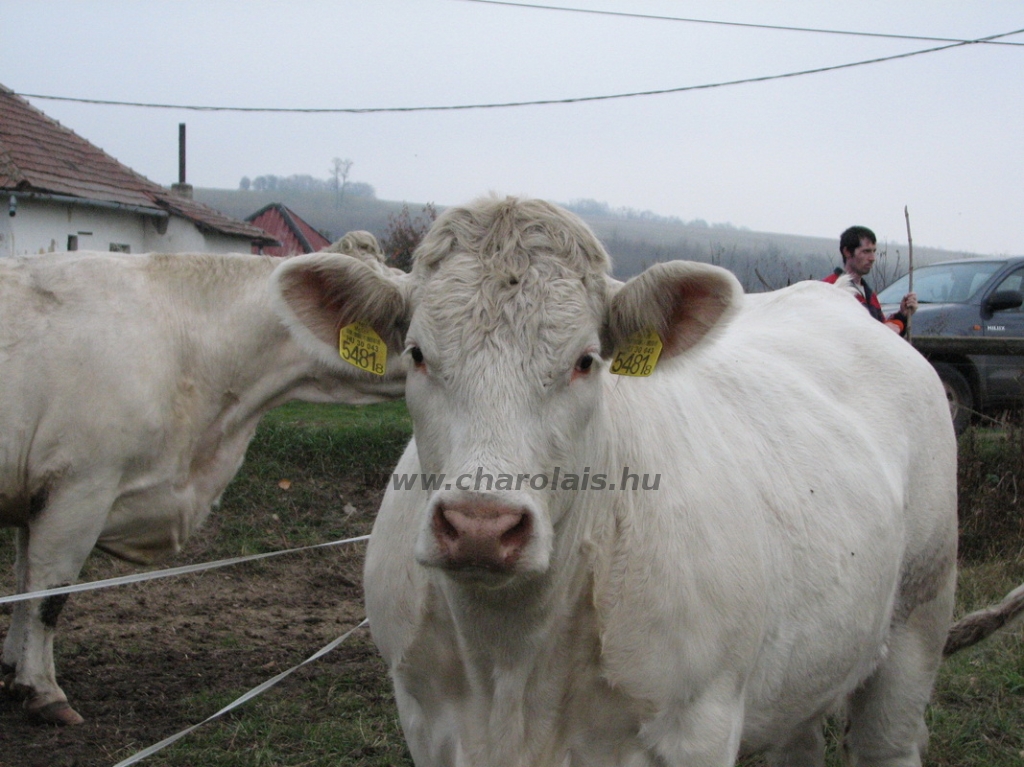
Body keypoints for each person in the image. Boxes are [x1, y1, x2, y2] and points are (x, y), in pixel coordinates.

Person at [823, 225, 917, 336]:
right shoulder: (829, 288)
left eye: (873, 251)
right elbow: (831, 331)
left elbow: (883, 336)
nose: (872, 258)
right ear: (847, 252)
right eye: (866, 251)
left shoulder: (870, 295)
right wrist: (878, 330)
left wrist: (902, 315)